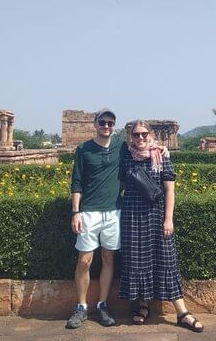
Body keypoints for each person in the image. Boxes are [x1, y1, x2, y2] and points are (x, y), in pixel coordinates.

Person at [66, 109, 168, 330]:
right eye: (102, 122)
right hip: (89, 211)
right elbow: (77, 182)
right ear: (95, 124)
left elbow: (141, 147)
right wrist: (75, 211)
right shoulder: (84, 149)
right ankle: (81, 306)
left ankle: (102, 304)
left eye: (110, 123)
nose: (106, 126)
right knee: (85, 261)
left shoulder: (121, 146)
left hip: (114, 211)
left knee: (108, 258)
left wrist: (160, 148)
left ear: (114, 126)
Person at [118, 121, 204, 333]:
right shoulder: (126, 157)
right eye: (136, 134)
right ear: (130, 136)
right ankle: (143, 305)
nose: (140, 138)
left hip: (157, 216)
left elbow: (169, 191)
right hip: (132, 218)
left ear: (150, 134)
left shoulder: (161, 155)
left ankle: (182, 312)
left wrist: (168, 218)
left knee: (166, 260)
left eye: (144, 133)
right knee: (138, 261)